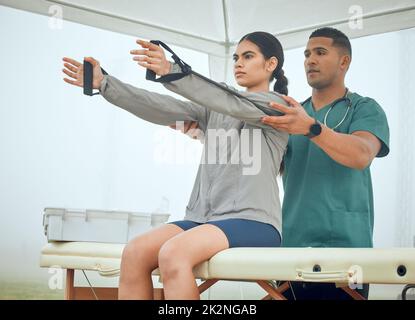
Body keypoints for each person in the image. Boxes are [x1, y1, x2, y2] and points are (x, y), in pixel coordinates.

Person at [62, 31, 289, 300]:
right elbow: (160, 106)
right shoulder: (214, 108)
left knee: (173, 253)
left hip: (254, 222)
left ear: (270, 64)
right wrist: (104, 84)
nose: (238, 63)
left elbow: (230, 101)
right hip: (204, 220)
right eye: (236, 57)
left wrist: (171, 70)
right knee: (135, 252)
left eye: (248, 56)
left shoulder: (279, 107)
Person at [176, 27, 390, 300]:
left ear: (344, 61)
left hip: (346, 256)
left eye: (320, 53)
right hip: (291, 254)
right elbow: (259, 163)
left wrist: (312, 129)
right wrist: (206, 135)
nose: (310, 60)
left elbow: (361, 155)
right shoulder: (288, 114)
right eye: (306, 54)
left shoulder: (363, 109)